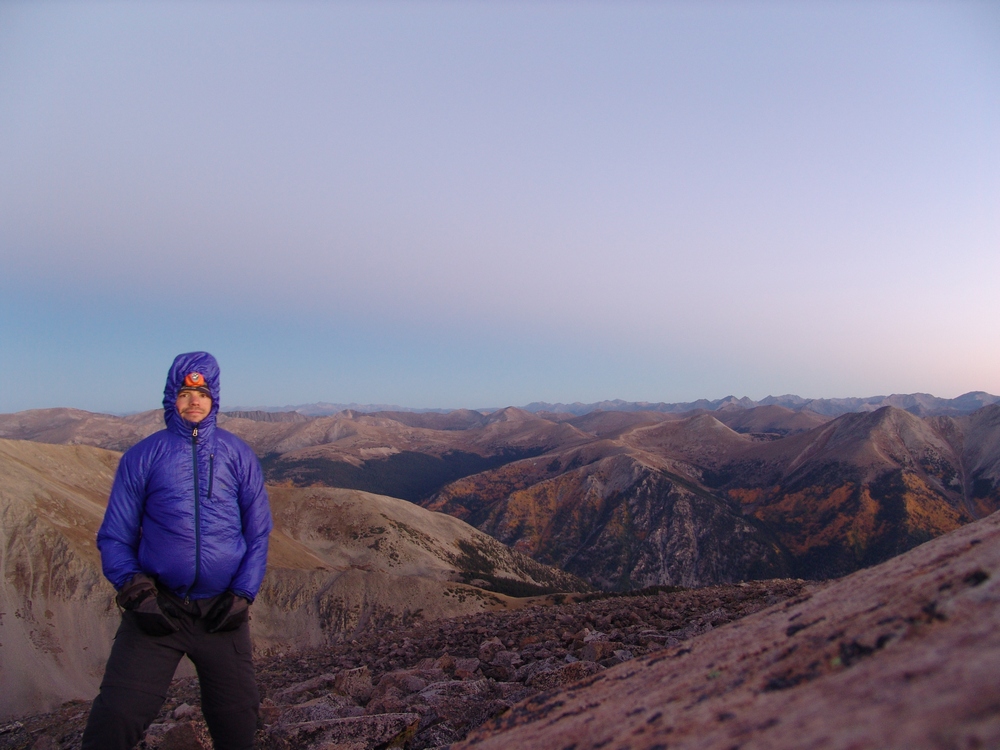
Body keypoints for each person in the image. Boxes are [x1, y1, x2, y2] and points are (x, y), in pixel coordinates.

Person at [82, 351, 273, 750]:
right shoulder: (142, 457)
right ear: (172, 398)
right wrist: (136, 591)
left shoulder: (238, 455)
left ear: (214, 399)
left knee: (238, 716)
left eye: (202, 394)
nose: (194, 401)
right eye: (185, 394)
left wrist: (242, 594)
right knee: (117, 716)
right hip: (159, 608)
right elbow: (114, 536)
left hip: (221, 611)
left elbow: (258, 534)